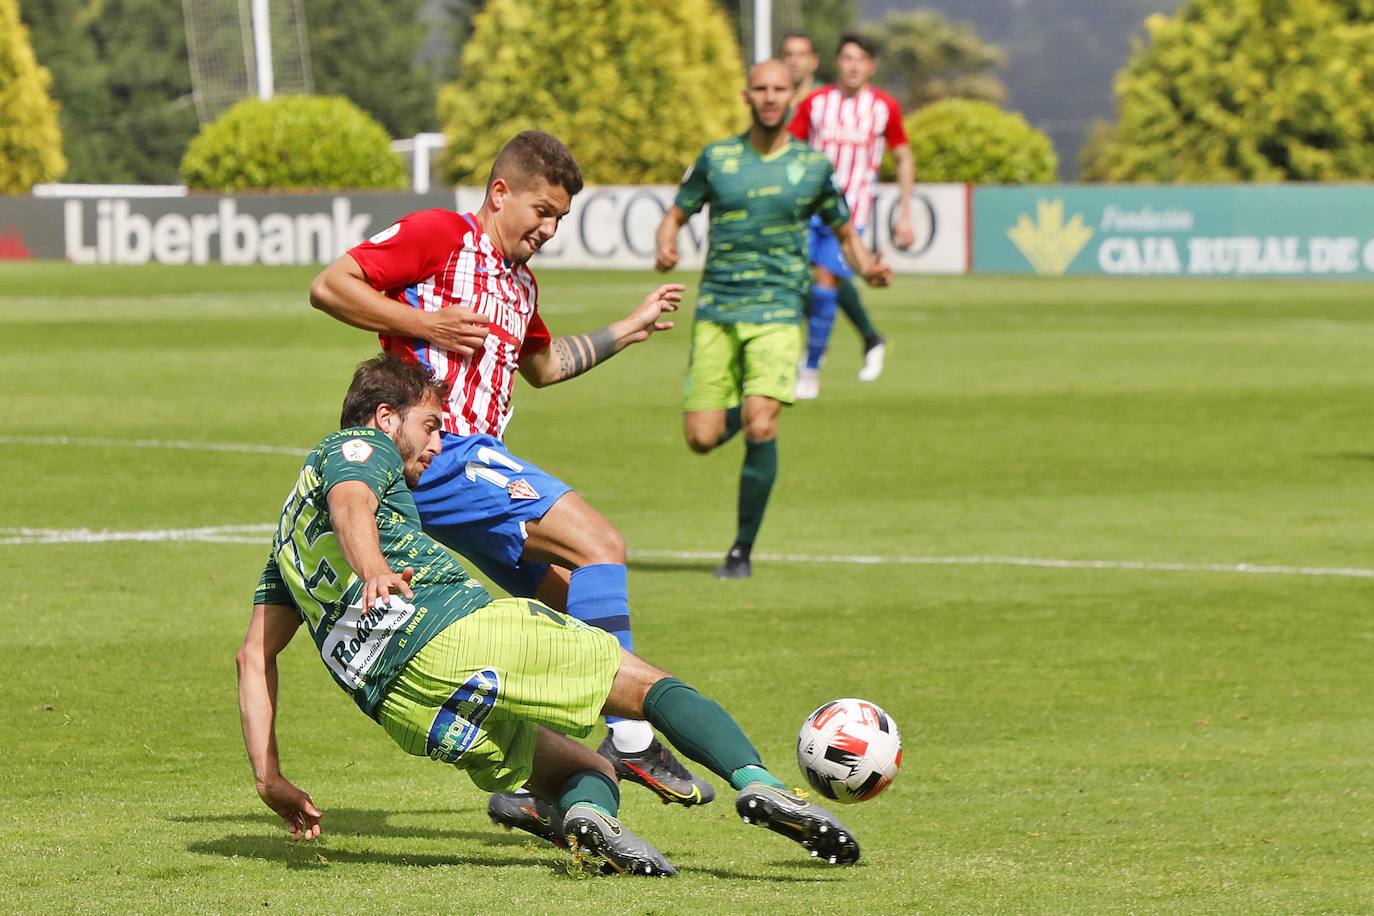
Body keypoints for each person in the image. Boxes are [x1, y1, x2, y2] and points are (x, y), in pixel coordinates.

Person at [238, 353, 862, 875]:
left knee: (585, 768)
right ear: (384, 417)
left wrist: (270, 780)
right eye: (429, 425)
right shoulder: (356, 446)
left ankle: (591, 818)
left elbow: (253, 656)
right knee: (647, 685)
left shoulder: (286, 543)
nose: (437, 441)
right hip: (453, 629)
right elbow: (353, 502)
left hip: (406, 707)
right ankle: (759, 782)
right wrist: (374, 567)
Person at [307, 131, 711, 826]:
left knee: (569, 599)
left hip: (473, 472)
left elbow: (546, 367)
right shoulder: (439, 236)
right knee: (601, 544)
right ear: (501, 193)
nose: (549, 229)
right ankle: (634, 738)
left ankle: (533, 786)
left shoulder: (519, 283)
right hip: (444, 453)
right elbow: (330, 285)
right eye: (542, 211)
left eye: (560, 219)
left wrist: (628, 328)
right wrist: (421, 319)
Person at [654, 60, 891, 579]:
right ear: (746, 95)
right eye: (760, 88)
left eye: (778, 89)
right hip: (718, 308)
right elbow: (675, 215)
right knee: (701, 437)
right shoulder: (717, 159)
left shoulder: (812, 166)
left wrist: (869, 269)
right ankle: (759, 403)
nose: (768, 96)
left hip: (780, 309)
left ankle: (740, 550)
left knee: (762, 424)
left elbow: (845, 233)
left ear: (793, 97)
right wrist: (666, 246)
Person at [789, 32, 917, 399]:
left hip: (851, 213)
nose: (853, 64)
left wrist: (905, 213)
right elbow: (790, 148)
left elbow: (904, 155)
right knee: (799, 284)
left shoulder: (884, 107)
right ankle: (861, 338)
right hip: (806, 209)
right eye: (847, 57)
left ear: (871, 66)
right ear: (837, 63)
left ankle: (810, 368)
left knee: (827, 281)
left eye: (860, 59)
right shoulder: (815, 104)